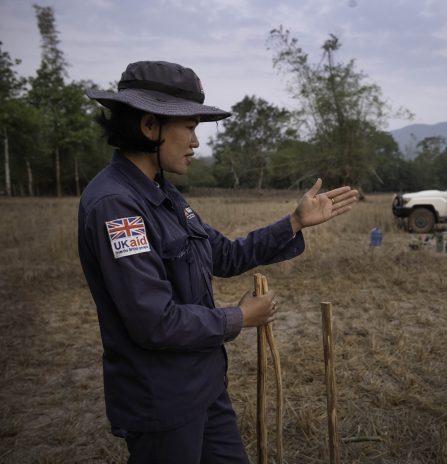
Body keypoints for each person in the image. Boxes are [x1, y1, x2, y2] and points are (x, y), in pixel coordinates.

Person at [77, 60, 359, 463]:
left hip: (204, 385)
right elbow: (153, 322)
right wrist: (239, 318)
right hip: (164, 402)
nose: (195, 142)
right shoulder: (117, 206)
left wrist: (295, 222)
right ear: (149, 127)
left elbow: (223, 254)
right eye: (189, 128)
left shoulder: (164, 194)